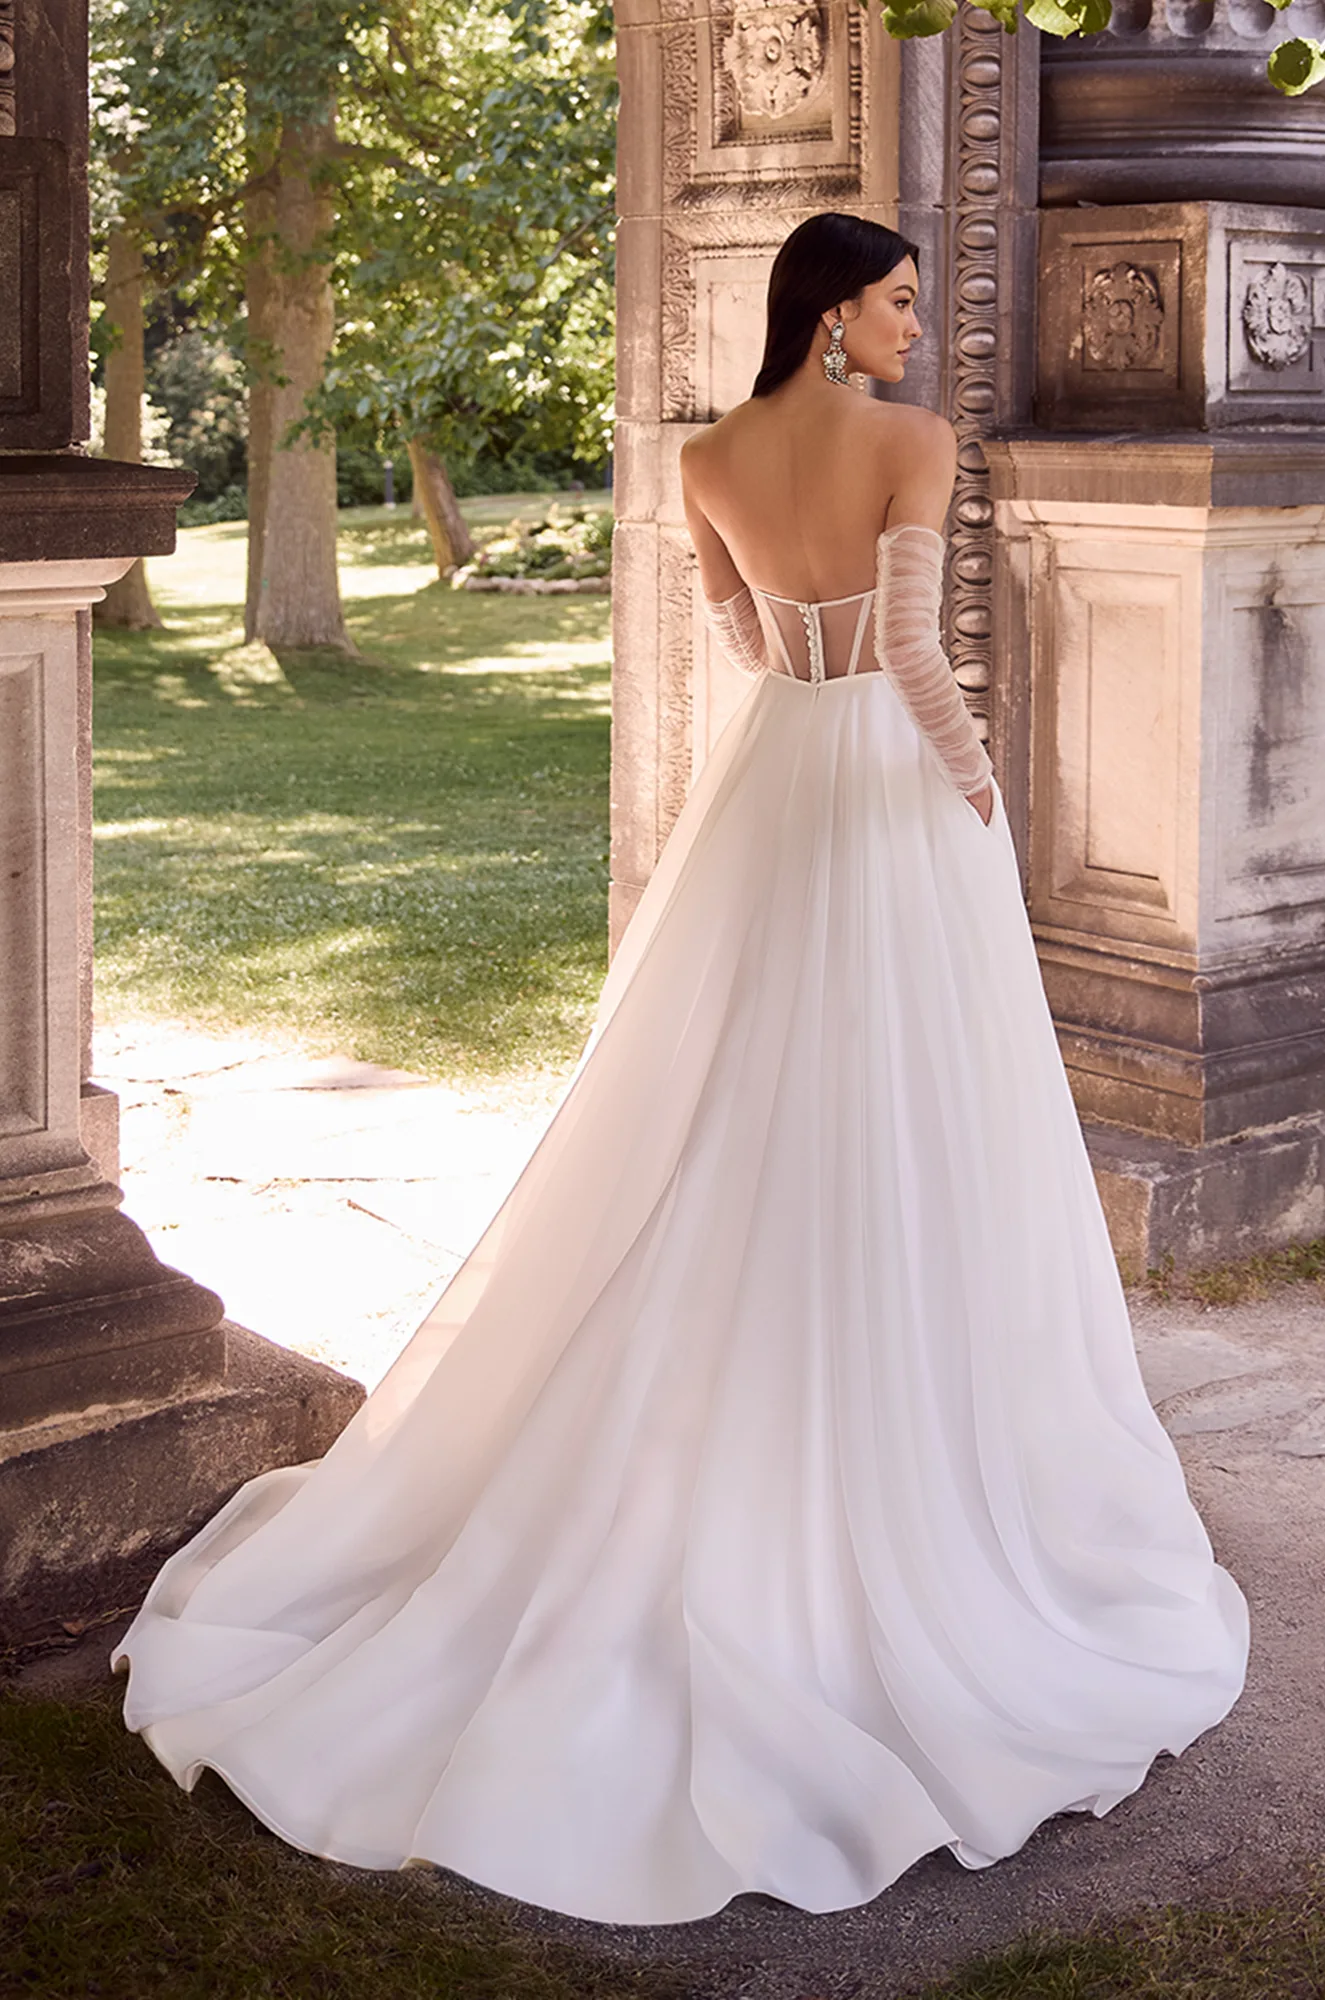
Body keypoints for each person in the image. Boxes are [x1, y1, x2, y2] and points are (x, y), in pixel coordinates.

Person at [114, 212, 1248, 1928]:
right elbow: (927, 659)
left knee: (731, 1087)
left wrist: (808, 686)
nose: (919, 331)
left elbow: (733, 630)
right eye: (898, 302)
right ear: (832, 313)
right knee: (903, 1104)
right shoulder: (910, 444)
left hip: (778, 773)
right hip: (879, 780)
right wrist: (973, 788)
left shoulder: (708, 451)